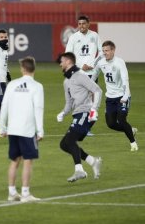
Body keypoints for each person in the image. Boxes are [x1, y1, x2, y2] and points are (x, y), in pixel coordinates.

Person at [0, 56, 44, 202]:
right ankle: (25, 193)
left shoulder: (12, 84)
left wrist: (2, 127)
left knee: (14, 160)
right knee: (28, 161)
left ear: (22, 69)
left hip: (13, 129)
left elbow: (4, 106)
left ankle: (12, 192)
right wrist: (40, 130)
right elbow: (38, 108)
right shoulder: (37, 86)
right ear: (34, 68)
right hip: (27, 130)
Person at [56, 52, 103, 182]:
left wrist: (94, 109)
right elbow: (69, 103)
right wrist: (63, 113)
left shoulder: (80, 76)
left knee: (70, 140)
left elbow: (97, 90)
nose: (60, 64)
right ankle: (93, 162)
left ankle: (79, 171)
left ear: (68, 62)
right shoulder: (66, 81)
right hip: (78, 114)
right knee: (64, 144)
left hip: (86, 113)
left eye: (61, 61)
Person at [91, 41, 138, 151]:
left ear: (113, 50)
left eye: (107, 50)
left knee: (121, 120)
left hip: (122, 96)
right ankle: (131, 130)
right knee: (111, 124)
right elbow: (94, 74)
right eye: (103, 51)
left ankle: (133, 143)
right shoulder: (101, 62)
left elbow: (125, 80)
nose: (105, 53)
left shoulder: (119, 62)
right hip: (110, 98)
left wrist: (126, 96)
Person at [66, 15, 103, 136]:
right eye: (79, 24)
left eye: (83, 23)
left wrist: (92, 64)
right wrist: (80, 66)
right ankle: (77, 125)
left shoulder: (95, 35)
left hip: (92, 73)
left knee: (92, 102)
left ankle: (87, 128)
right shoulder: (73, 37)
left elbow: (101, 52)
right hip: (79, 73)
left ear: (88, 24)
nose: (81, 26)